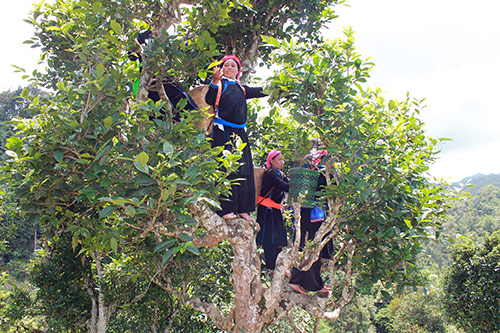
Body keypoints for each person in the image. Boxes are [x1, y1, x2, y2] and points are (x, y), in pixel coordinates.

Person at [205, 55, 267, 221]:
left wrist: (279, 87)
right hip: (223, 131)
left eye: (233, 66)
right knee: (226, 169)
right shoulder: (220, 85)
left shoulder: (241, 88)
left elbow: (260, 91)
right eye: (226, 65)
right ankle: (226, 209)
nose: (230, 68)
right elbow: (209, 99)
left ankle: (243, 209)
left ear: (238, 71)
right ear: (221, 69)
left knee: (244, 169)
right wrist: (214, 80)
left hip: (240, 133)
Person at [288, 149, 331, 295]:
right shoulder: (321, 175)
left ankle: (297, 280)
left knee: (301, 247)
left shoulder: (306, 174)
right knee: (312, 250)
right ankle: (312, 284)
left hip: (303, 216)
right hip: (313, 217)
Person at [256, 150, 289, 272]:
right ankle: (271, 266)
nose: (282, 162)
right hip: (266, 210)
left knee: (278, 238)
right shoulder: (270, 174)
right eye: (279, 160)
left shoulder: (280, 173)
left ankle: (277, 265)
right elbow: (285, 186)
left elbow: (287, 184)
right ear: (271, 161)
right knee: (269, 239)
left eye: (282, 159)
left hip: (274, 210)